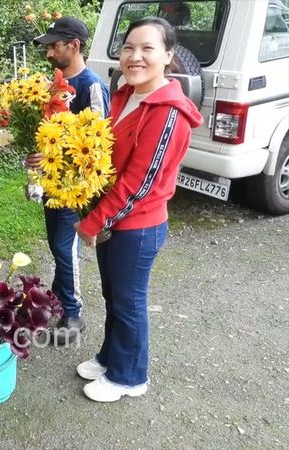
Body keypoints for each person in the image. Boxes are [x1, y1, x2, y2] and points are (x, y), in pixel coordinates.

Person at [74, 17, 202, 402]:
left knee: (129, 301)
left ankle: (130, 377)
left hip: (139, 225)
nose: (136, 56)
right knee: (115, 297)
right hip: (116, 221)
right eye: (129, 47)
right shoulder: (124, 95)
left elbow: (140, 182)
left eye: (148, 48)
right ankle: (112, 357)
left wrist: (95, 220)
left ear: (168, 55)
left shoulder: (166, 110)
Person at [28, 17, 111, 346]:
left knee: (65, 247)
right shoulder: (55, 84)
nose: (48, 52)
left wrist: (91, 195)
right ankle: (59, 299)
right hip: (52, 183)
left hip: (76, 189)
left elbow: (102, 143)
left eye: (54, 45)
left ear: (73, 45)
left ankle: (73, 314)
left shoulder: (91, 86)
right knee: (56, 245)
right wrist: (36, 161)